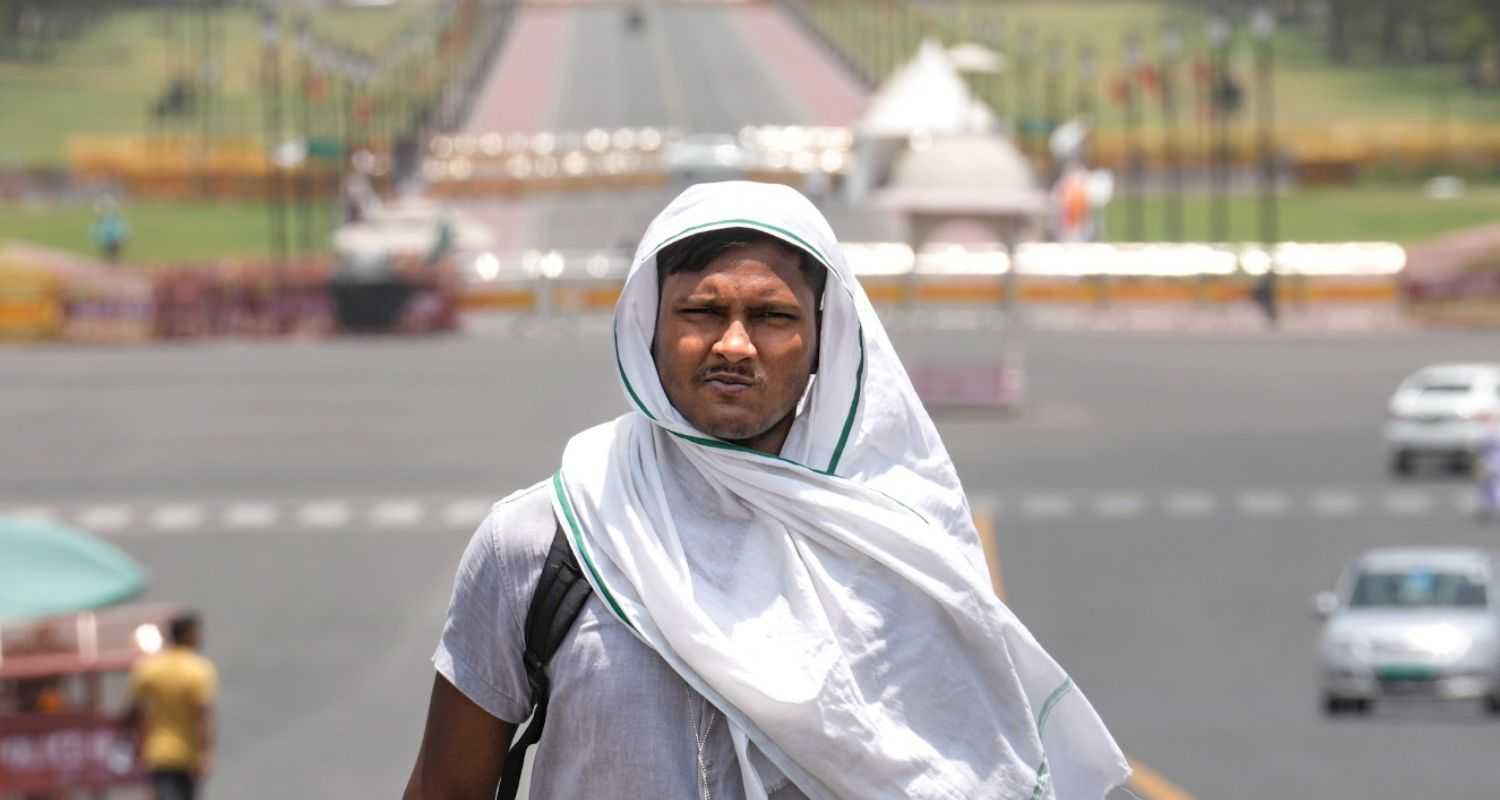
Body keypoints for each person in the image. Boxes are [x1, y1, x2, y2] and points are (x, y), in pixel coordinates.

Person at [405, 181, 1127, 799]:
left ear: (824, 343)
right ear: (646, 328)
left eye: (774, 317)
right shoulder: (544, 542)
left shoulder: (895, 548)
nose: (735, 345)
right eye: (702, 312)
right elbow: (447, 787)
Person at [125, 613, 217, 800]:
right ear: (190, 635)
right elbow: (201, 715)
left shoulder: (149, 668)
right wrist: (204, 752)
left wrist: (135, 742)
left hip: (157, 751)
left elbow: (135, 709)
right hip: (188, 753)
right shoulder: (199, 670)